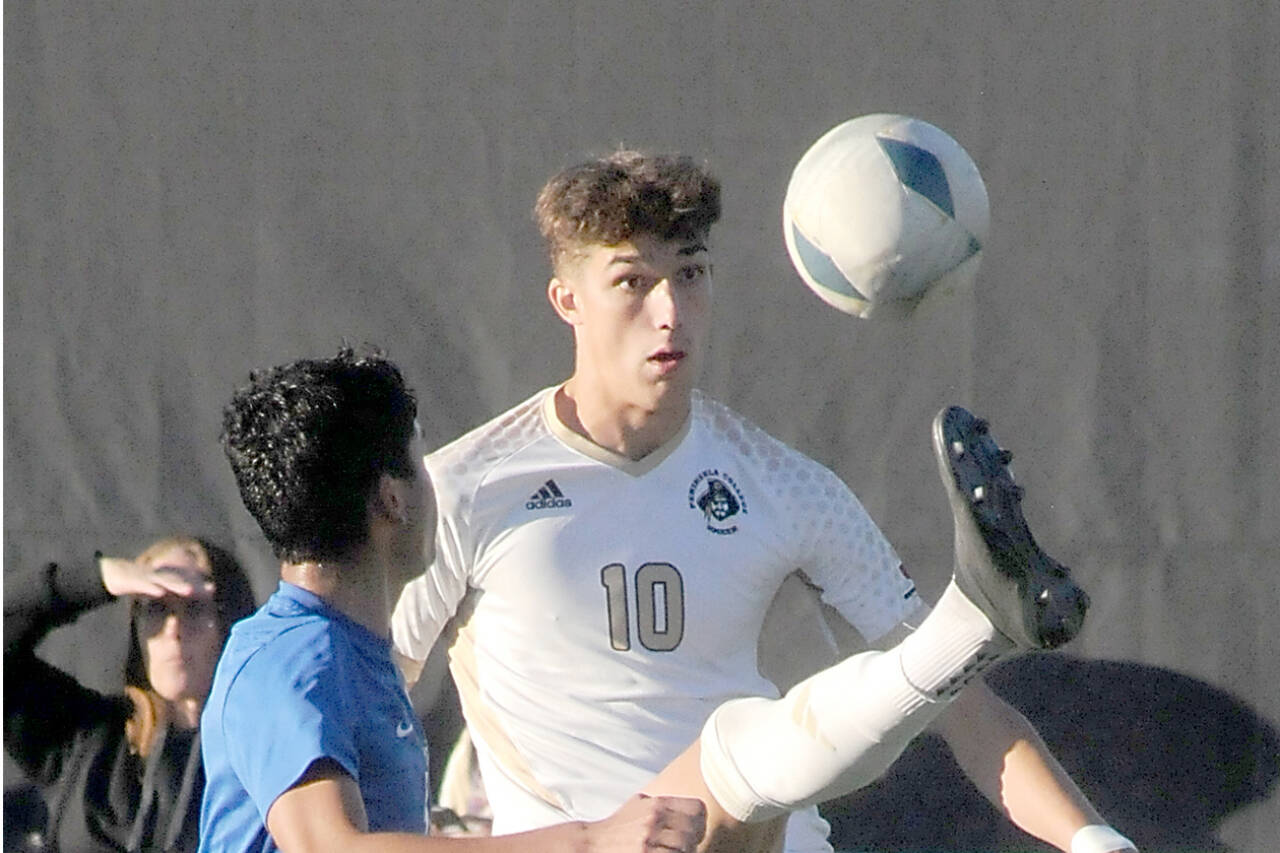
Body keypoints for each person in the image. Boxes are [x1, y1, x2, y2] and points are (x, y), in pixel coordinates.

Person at [391, 151, 1138, 853]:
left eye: (690, 274)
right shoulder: (464, 489)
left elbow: (966, 710)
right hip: (593, 842)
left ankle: (967, 621)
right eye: (631, 282)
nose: (669, 312)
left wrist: (1092, 840)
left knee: (808, 718)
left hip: (760, 836)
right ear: (566, 300)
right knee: (742, 745)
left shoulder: (782, 484)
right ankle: (963, 623)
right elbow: (370, 700)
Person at [200, 348, 707, 853]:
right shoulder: (290, 661)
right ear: (392, 499)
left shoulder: (348, 654)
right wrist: (590, 841)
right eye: (421, 464)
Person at [4, 535, 256, 852]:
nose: (174, 629)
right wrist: (99, 578)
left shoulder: (263, 760)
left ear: (230, 621)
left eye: (194, 608)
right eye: (156, 608)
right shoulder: (90, 737)